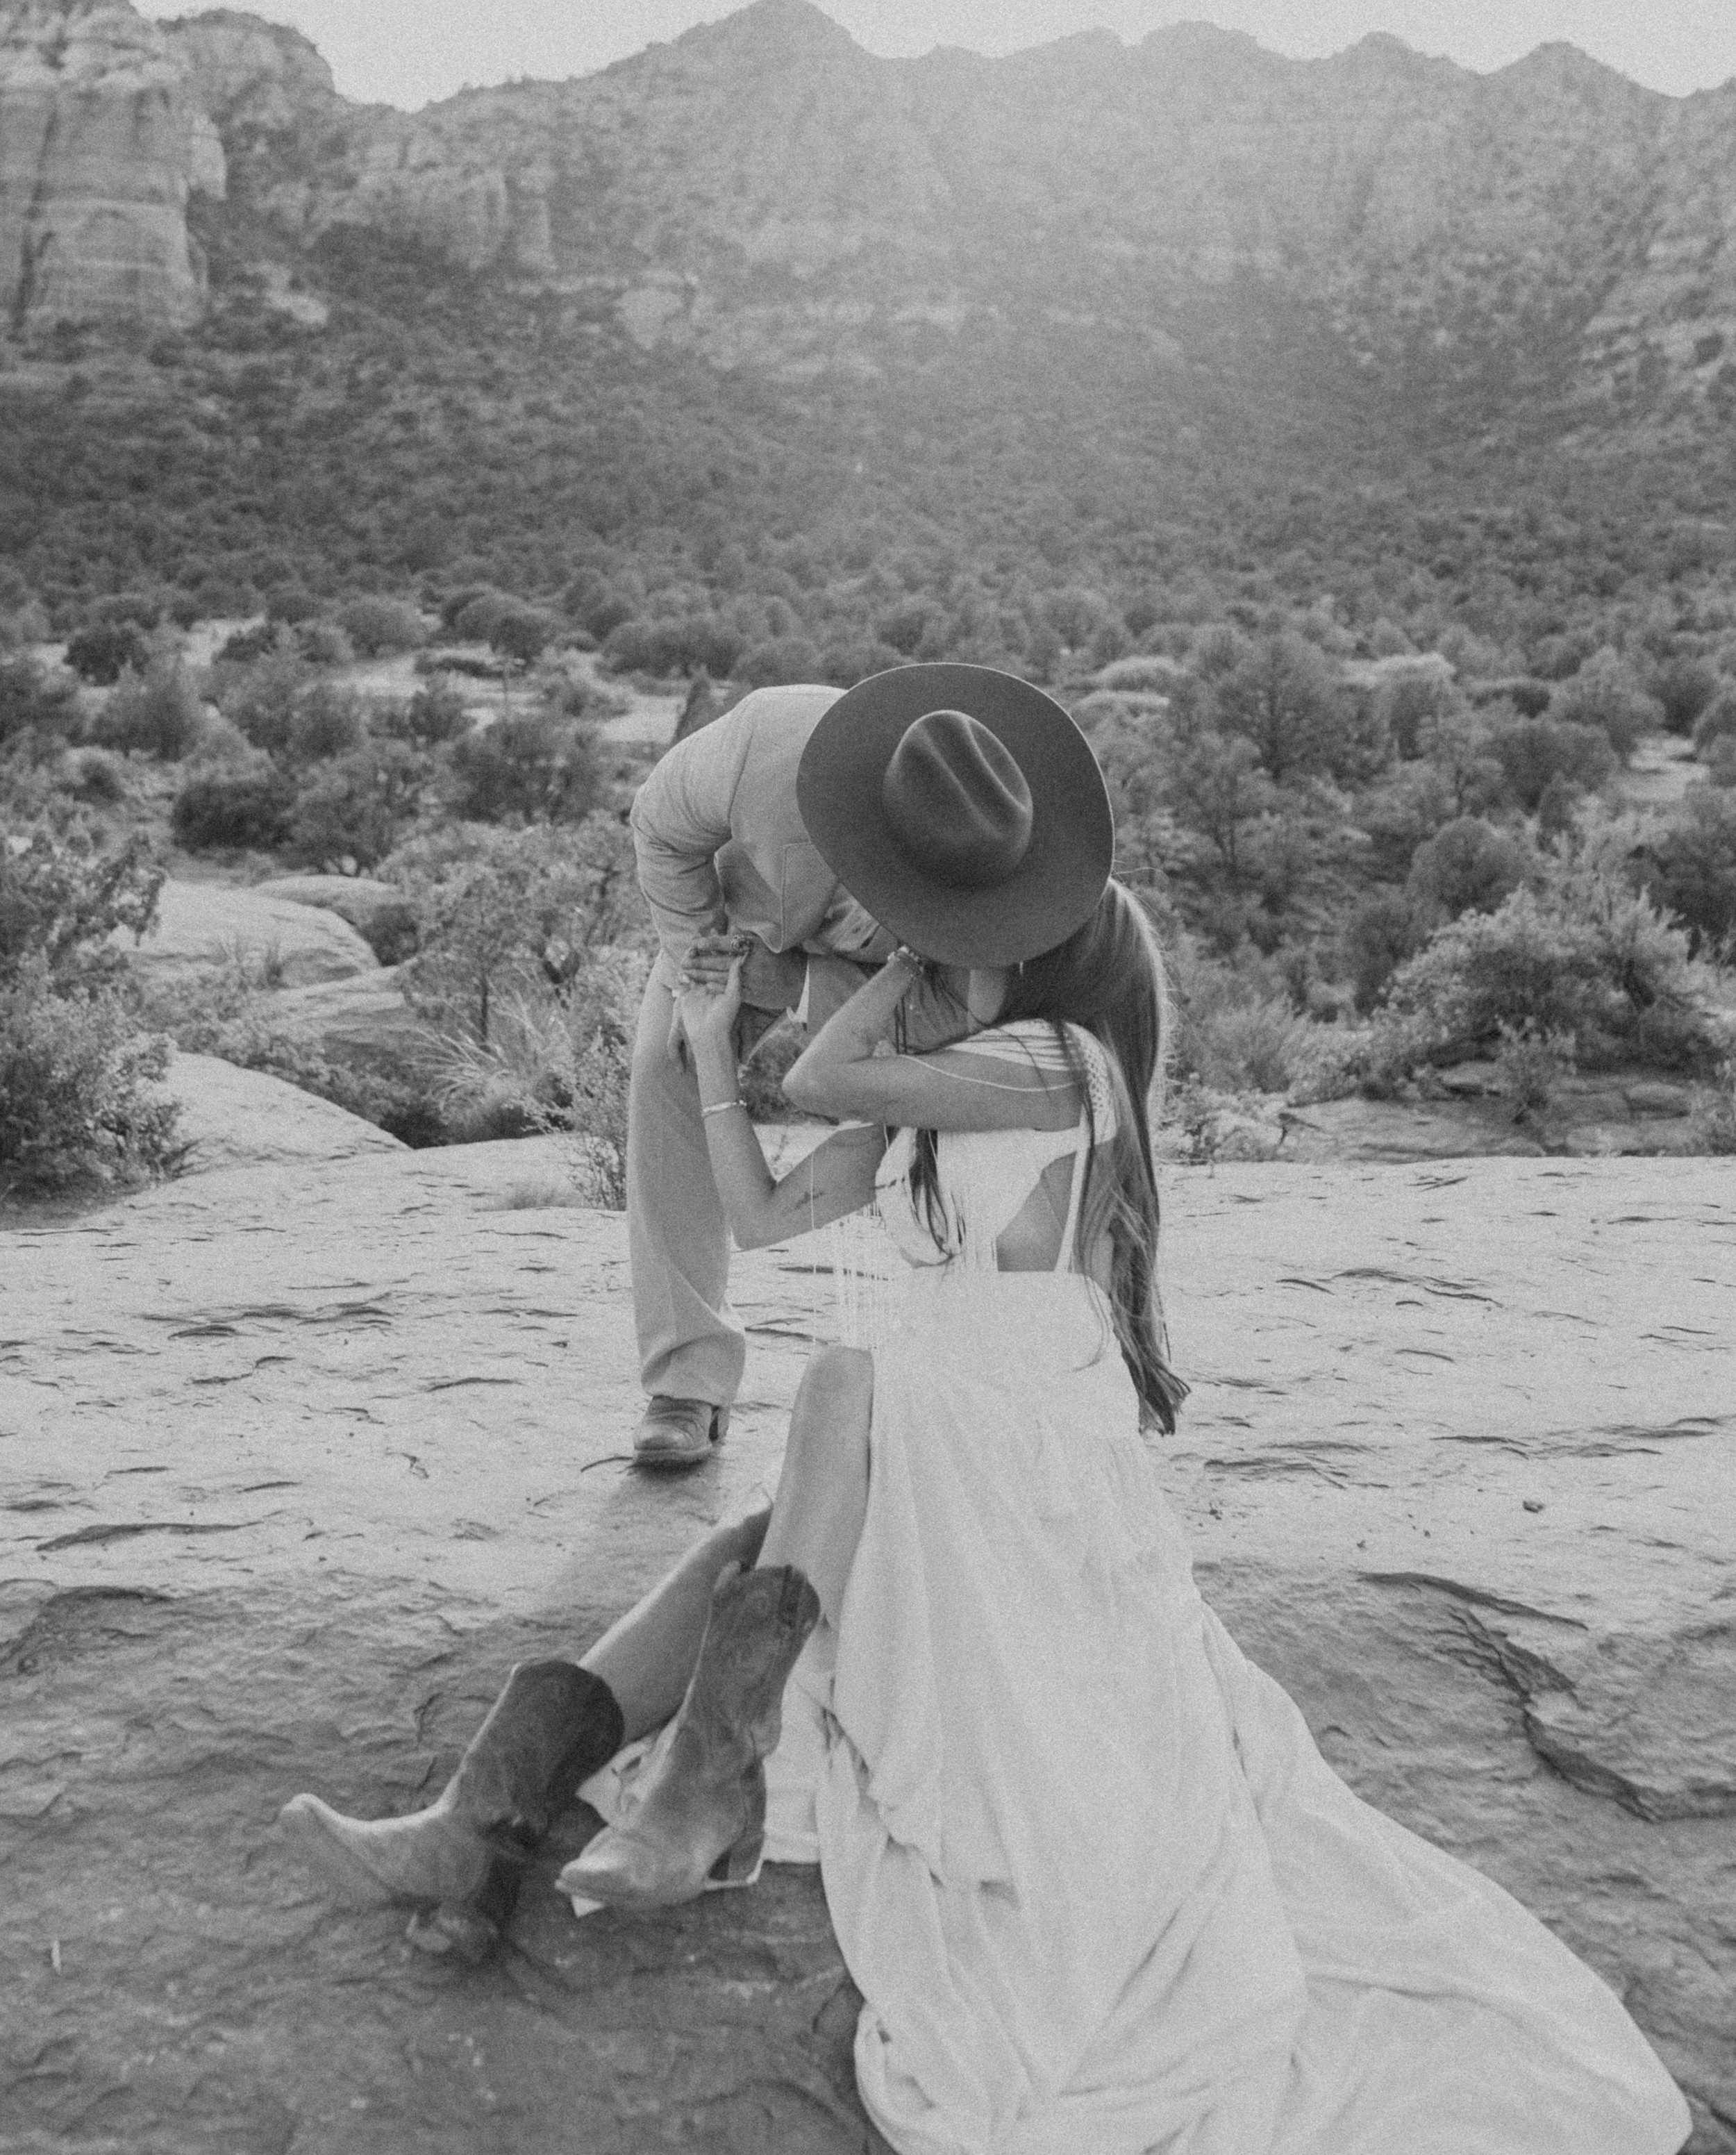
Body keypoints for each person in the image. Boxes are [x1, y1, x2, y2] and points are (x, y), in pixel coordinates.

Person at [565, 665, 1689, 2155]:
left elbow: (832, 1063)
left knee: (840, 1396)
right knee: (829, 1409)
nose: (904, 938)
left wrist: (902, 949)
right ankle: (615, 1784)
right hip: (935, 1412)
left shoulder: (1060, 1068)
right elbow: (765, 1219)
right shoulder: (943, 1092)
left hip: (1015, 1414)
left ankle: (691, 1778)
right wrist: (708, 1046)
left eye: (936, 924)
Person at [621, 679, 962, 1466]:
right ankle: (687, 1380)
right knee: (665, 1066)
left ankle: (935, 1360)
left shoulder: (956, 788)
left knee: (931, 1106)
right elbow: (659, 829)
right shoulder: (759, 744)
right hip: (746, 930)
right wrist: (693, 947)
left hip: (894, 963)